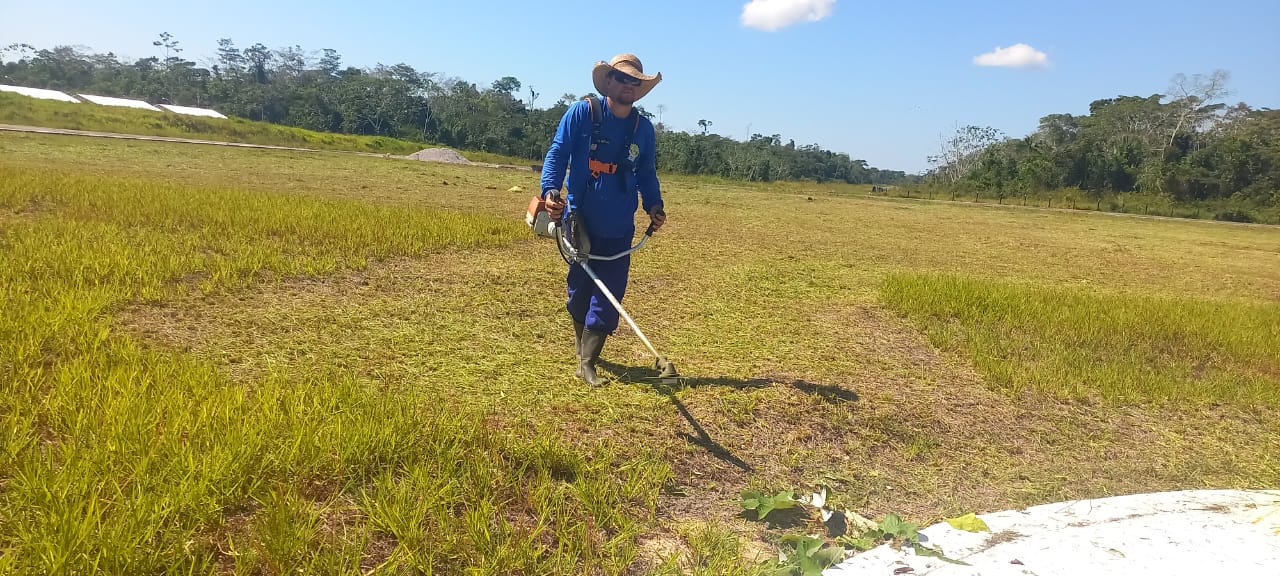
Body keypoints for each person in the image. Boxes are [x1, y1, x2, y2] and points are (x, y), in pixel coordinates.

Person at [540, 53, 667, 387]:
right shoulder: (583, 113)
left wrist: (654, 205)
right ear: (608, 82)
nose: (629, 86)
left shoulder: (643, 129)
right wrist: (551, 191)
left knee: (611, 291)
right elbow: (558, 153)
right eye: (622, 79)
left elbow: (647, 173)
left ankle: (588, 362)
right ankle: (583, 349)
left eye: (635, 82)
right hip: (580, 216)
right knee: (579, 288)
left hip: (619, 223)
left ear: (640, 89)